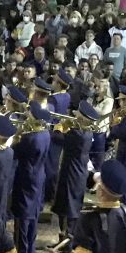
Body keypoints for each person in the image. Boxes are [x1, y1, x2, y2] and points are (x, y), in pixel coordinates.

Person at [51, 102, 99, 240]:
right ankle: (65, 238)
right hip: (76, 174)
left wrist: (58, 128)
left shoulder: (78, 135)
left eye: (77, 115)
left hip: (71, 176)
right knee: (67, 207)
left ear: (82, 119)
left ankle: (67, 241)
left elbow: (57, 139)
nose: (74, 116)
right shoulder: (86, 132)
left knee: (67, 209)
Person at [11, 103, 52, 253]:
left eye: (29, 115)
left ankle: (21, 252)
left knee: (22, 215)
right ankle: (30, 251)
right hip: (39, 175)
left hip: (26, 176)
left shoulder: (30, 138)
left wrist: (17, 136)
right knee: (33, 213)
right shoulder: (46, 134)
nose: (27, 117)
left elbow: (15, 152)